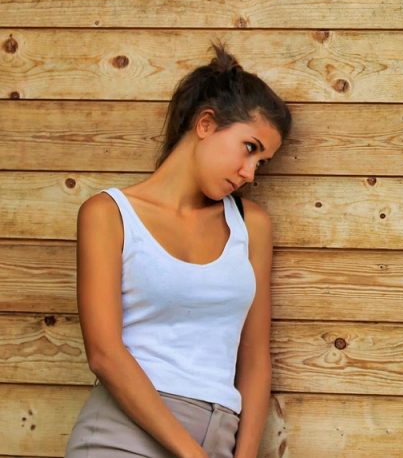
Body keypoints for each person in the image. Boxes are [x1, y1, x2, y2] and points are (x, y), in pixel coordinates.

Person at [66, 45, 292, 458]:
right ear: (206, 123)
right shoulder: (109, 215)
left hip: (220, 435)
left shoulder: (251, 226)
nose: (250, 173)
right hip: (122, 435)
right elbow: (104, 354)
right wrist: (191, 454)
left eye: (262, 162)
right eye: (249, 148)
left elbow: (255, 358)